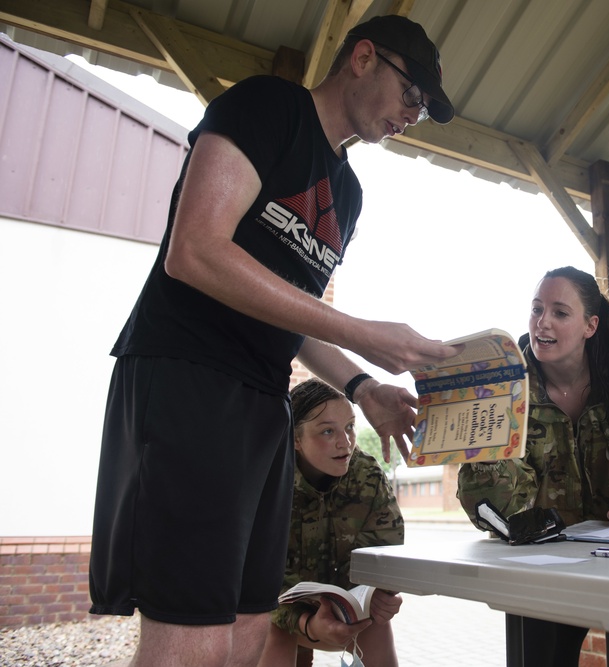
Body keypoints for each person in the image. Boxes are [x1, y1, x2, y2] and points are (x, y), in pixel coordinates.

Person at [88, 15, 460, 667]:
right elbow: (195, 249)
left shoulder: (347, 191)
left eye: (424, 109)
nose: (412, 113)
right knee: (192, 634)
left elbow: (297, 315)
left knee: (248, 630)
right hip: (189, 377)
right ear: (364, 57)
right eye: (412, 94)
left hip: (266, 404)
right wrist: (365, 333)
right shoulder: (267, 106)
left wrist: (362, 386)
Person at [457, 266, 609, 667]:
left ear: (590, 325)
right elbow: (494, 512)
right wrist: (485, 440)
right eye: (536, 309)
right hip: (532, 565)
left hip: (605, 556)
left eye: (560, 312)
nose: (542, 323)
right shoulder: (503, 390)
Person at [258, 379, 404, 667]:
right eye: (327, 431)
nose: (345, 442)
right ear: (295, 439)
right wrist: (306, 623)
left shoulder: (367, 477)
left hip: (344, 613)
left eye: (350, 427)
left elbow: (384, 553)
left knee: (376, 626)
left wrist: (379, 596)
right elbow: (254, 581)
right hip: (278, 614)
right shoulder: (266, 482)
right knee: (271, 633)